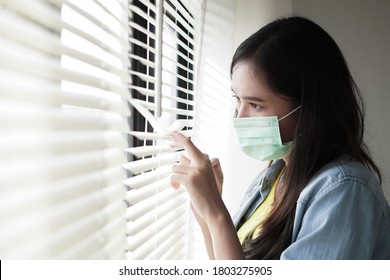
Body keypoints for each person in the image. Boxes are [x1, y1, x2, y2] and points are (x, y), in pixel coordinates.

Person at [169, 16, 390, 259]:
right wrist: (206, 209)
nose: (239, 118)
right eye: (238, 99)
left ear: (309, 107)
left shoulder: (345, 191)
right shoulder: (274, 176)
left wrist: (216, 213)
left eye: (255, 104)